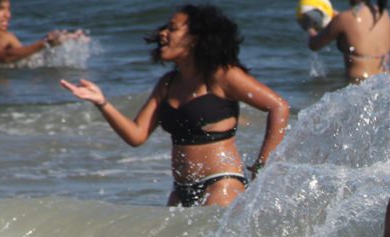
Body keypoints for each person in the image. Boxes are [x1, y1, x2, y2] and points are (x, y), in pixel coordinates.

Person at [60, 4, 290, 207]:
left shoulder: (222, 76)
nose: (162, 33)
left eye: (172, 28)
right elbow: (136, 136)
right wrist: (103, 103)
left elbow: (278, 106)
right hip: (180, 191)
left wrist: (264, 165)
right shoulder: (168, 84)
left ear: (196, 38)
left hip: (221, 185)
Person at [0, 0, 82, 68]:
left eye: (9, 9)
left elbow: (26, 60)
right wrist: (44, 43)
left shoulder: (6, 38)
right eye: (1, 9)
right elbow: (1, 57)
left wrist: (57, 43)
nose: (8, 15)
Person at [302, 0, 390, 83]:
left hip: (358, 84)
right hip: (383, 82)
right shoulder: (384, 15)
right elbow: (358, 28)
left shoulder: (344, 19)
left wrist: (309, 27)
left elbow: (314, 44)